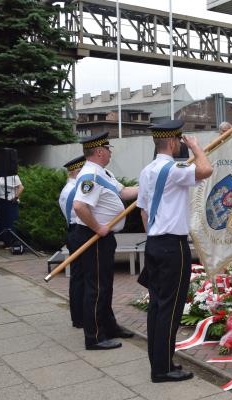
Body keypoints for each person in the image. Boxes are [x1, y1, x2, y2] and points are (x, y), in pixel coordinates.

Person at [137, 120, 212, 382]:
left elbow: (144, 211)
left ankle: (159, 361)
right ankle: (162, 369)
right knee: (171, 307)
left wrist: (153, 238)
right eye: (180, 142)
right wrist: (196, 148)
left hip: (155, 243)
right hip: (172, 246)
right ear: (171, 142)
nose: (182, 145)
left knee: (158, 306)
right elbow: (206, 169)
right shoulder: (175, 168)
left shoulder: (147, 171)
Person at [71, 132, 138, 350]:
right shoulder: (89, 175)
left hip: (104, 238)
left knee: (105, 286)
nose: (110, 152)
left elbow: (126, 192)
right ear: (100, 151)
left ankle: (110, 326)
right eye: (108, 148)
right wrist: (97, 227)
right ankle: (95, 337)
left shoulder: (103, 172)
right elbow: (80, 206)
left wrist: (150, 185)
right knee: (97, 287)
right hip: (95, 237)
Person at [58, 155, 86, 328]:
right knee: (80, 278)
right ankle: (80, 317)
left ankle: (78, 317)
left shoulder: (67, 188)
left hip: (73, 232)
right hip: (78, 231)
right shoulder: (75, 190)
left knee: (77, 277)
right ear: (78, 171)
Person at [0, 170, 23, 247]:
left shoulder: (14, 176)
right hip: (0, 200)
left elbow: (21, 187)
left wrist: (16, 197)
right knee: (2, 221)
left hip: (11, 201)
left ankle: (13, 242)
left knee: (11, 221)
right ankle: (5, 241)